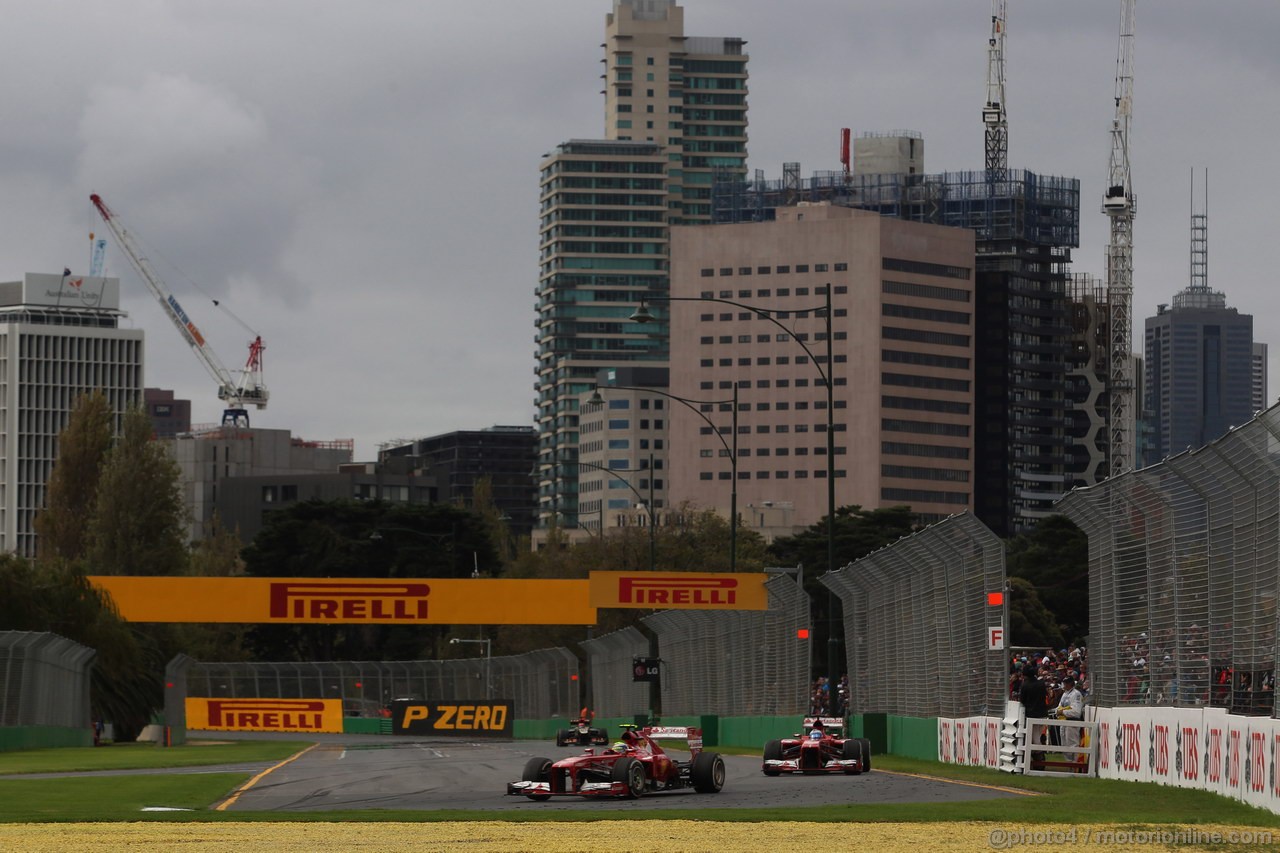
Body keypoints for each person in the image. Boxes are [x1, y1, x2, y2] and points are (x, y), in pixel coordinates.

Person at [1018, 663, 1048, 761]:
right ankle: (1037, 755)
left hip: (1031, 715)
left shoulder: (1025, 685)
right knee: (1036, 735)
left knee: (1034, 738)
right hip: (1043, 713)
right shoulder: (1041, 683)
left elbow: (1022, 700)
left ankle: (1039, 756)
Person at [1053, 675, 1086, 758]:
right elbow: (1059, 707)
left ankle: (1075, 764)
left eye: (1066, 683)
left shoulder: (1076, 694)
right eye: (1064, 683)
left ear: (1071, 683)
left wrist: (1063, 712)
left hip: (1072, 721)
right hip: (1063, 721)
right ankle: (1069, 764)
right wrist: (1058, 711)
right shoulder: (1065, 694)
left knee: (1073, 744)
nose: (1065, 685)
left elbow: (1076, 712)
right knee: (1064, 745)